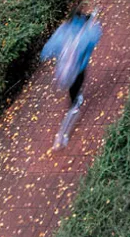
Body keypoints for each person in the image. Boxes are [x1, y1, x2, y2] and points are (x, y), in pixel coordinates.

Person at [41, 8, 102, 147]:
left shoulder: (63, 31)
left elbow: (46, 52)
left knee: (72, 90)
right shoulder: (87, 34)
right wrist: (92, 23)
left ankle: (75, 98)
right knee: (74, 104)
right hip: (77, 71)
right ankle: (62, 136)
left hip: (62, 73)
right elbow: (96, 36)